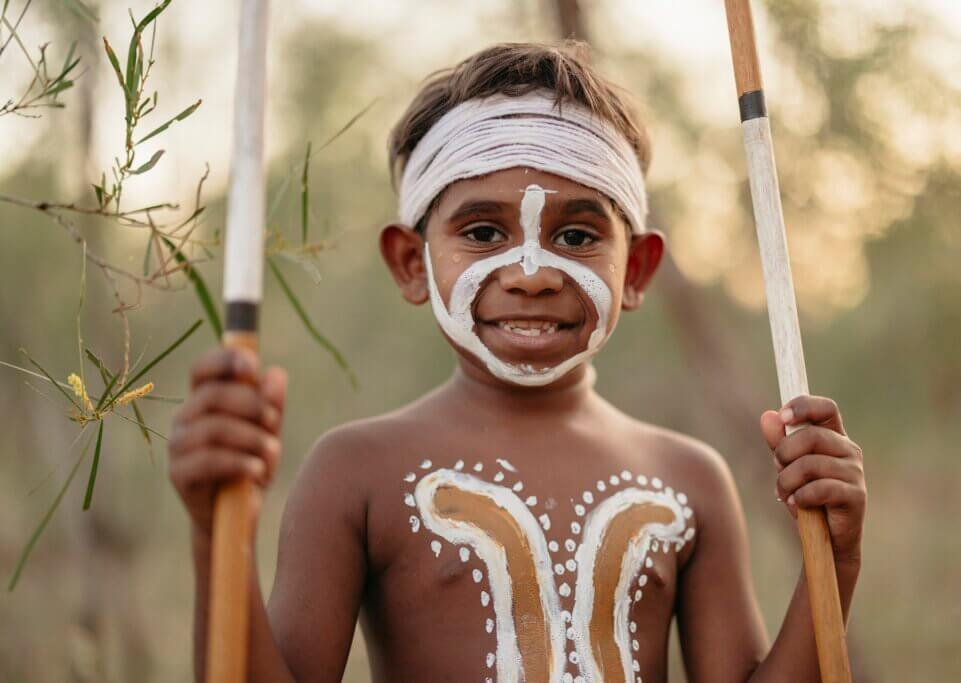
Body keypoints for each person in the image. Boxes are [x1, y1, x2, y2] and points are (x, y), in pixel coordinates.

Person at [169, 41, 867, 682]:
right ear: (412, 263)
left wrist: (831, 561)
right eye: (481, 231)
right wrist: (213, 531)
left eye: (576, 233)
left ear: (638, 269)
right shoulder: (355, 472)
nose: (532, 273)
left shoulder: (690, 479)